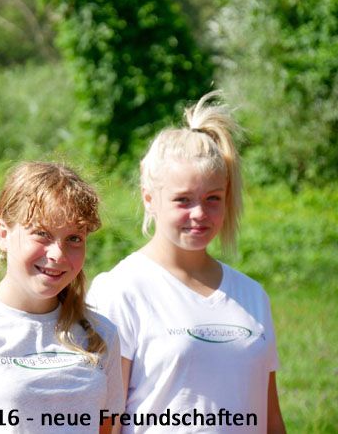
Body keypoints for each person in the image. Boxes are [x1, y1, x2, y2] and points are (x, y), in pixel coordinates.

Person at [87, 91, 286, 433]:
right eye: (183, 200)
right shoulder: (119, 291)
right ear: (149, 199)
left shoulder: (252, 295)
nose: (199, 214)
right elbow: (105, 423)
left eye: (213, 199)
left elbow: (271, 421)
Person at [0, 161, 124, 434]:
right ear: (3, 234)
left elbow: (107, 427)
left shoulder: (101, 333)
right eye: (42, 234)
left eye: (74, 238)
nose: (58, 254)